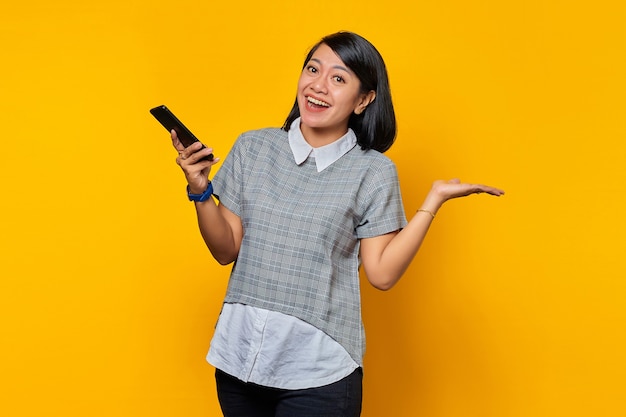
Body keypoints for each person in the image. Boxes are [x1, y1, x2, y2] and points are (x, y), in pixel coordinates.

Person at [171, 31, 504, 417]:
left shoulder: (372, 172)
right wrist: (199, 191)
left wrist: (433, 202)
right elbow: (226, 248)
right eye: (313, 69)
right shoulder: (253, 148)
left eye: (339, 78)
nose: (318, 85)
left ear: (364, 100)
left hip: (317, 371)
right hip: (239, 358)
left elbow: (381, 274)